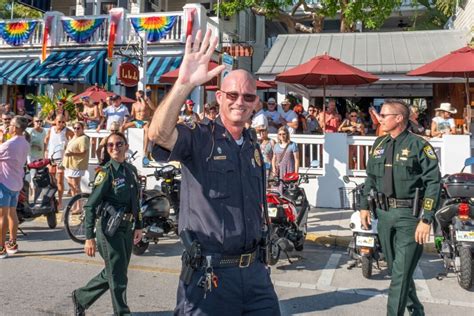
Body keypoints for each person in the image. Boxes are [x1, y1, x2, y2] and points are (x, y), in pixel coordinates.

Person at [148, 29, 280, 315]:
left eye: (248, 97)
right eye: (232, 94)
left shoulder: (252, 145)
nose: (240, 102)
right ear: (219, 97)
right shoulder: (199, 137)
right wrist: (184, 84)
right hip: (210, 277)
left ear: (256, 102)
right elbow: (158, 135)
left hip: (256, 275)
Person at [359, 99, 441, 316]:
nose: (379, 118)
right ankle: (417, 311)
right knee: (398, 271)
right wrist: (364, 206)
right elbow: (370, 178)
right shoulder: (379, 144)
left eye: (384, 115)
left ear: (399, 118)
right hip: (384, 215)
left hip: (409, 217)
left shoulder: (419, 146)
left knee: (399, 275)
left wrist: (426, 219)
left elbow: (434, 183)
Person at [72, 132, 143, 315]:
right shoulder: (105, 173)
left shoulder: (130, 171)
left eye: (119, 144)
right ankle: (122, 312)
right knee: (118, 277)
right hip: (108, 230)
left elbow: (136, 201)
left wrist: (139, 226)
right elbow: (90, 206)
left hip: (127, 228)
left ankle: (81, 297)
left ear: (126, 146)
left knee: (114, 271)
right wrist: (89, 237)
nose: (114, 148)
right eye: (110, 145)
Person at [0, 116, 30, 258]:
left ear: (17, 128)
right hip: (16, 183)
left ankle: (1, 248)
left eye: (11, 124)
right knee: (12, 214)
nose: (8, 126)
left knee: (2, 216)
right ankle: (12, 243)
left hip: (4, 182)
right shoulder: (24, 142)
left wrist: (1, 138)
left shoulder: (9, 144)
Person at [44, 115, 74, 209]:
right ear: (55, 121)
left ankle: (60, 202)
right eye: (59, 121)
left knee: (60, 180)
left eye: (63, 122)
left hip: (61, 159)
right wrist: (45, 151)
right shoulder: (51, 129)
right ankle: (52, 201)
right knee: (52, 181)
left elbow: (75, 138)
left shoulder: (67, 130)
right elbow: (46, 139)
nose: (61, 124)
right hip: (51, 158)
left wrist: (68, 148)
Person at [63, 122, 90, 213]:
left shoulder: (84, 138)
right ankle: (75, 206)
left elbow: (84, 152)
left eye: (78, 128)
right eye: (74, 128)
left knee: (76, 186)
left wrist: (72, 153)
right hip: (70, 164)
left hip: (77, 164)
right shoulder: (74, 137)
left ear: (82, 129)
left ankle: (79, 207)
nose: (76, 130)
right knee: (72, 186)